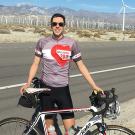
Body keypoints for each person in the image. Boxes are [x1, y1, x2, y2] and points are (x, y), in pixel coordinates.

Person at [20, 13, 103, 134]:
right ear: (51, 25)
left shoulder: (71, 43)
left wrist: (94, 86)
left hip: (63, 90)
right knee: (50, 131)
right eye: (54, 24)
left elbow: (81, 65)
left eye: (60, 24)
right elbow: (35, 63)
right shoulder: (42, 42)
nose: (57, 26)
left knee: (71, 130)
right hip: (46, 90)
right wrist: (28, 83)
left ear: (64, 26)